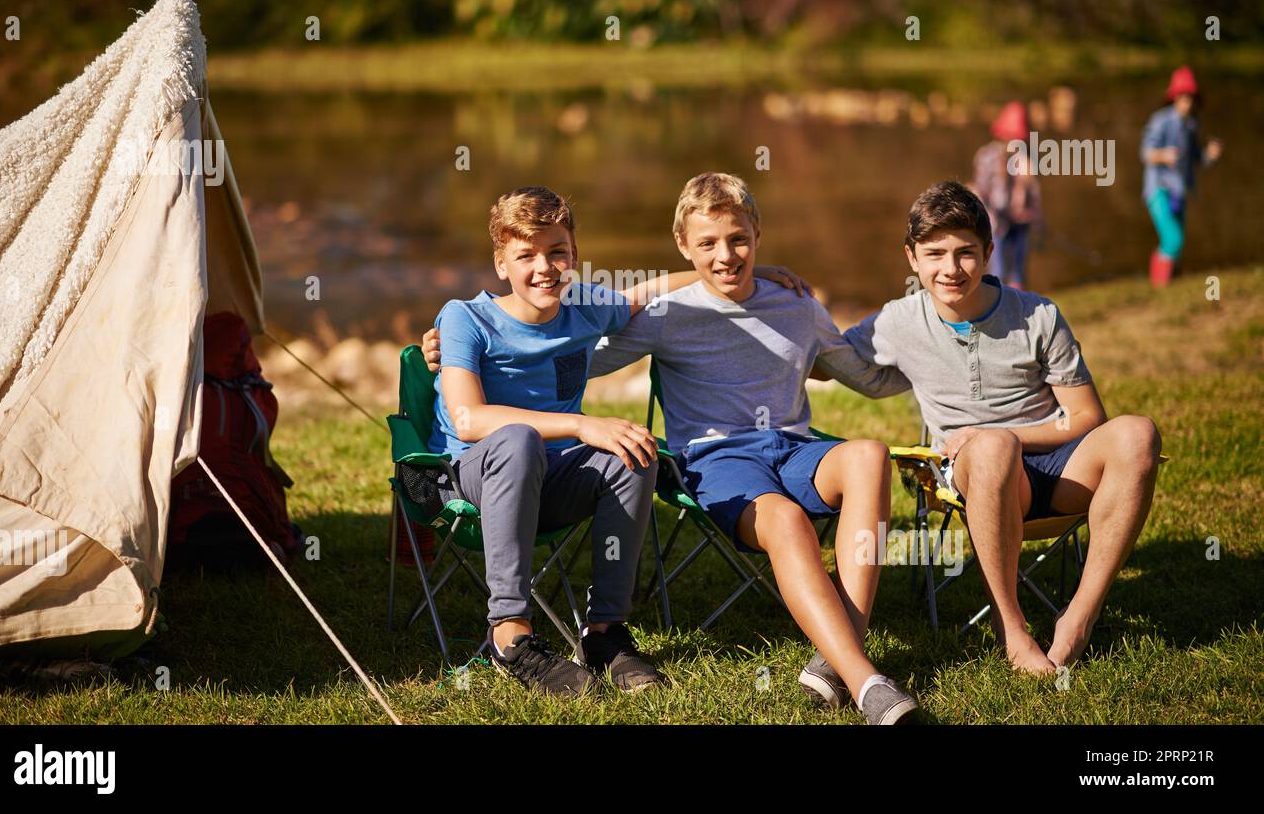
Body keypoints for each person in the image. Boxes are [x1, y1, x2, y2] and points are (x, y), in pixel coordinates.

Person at [428, 173, 922, 723]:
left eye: (558, 253)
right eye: (526, 256)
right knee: (524, 439)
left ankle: (612, 634)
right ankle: (511, 636)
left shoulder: (589, 309)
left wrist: (743, 272)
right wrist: (452, 353)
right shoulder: (469, 317)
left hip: (754, 451)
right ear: (501, 263)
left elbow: (639, 294)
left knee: (643, 449)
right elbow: (473, 412)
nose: (544, 267)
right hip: (501, 468)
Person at [845, 181, 1162, 674]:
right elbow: (820, 356)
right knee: (992, 448)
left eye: (966, 253)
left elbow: (1085, 418)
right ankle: (1012, 628)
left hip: (1057, 467)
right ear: (911, 257)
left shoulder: (1037, 314)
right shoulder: (896, 322)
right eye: (935, 254)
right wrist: (777, 289)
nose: (951, 269)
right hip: (977, 475)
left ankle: (1080, 613)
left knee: (1138, 432)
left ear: (989, 252)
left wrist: (1015, 436)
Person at [1141, 66, 1223, 287]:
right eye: (1183, 96)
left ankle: (1171, 281)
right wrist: (1163, 155)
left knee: (1178, 240)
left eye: (1190, 97)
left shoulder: (1192, 125)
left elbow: (1198, 159)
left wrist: (1211, 156)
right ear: (1174, 97)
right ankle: (1160, 284)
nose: (1187, 101)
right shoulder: (1161, 121)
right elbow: (1145, 153)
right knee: (1172, 238)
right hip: (1159, 189)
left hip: (1180, 190)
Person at [970, 101, 1042, 289]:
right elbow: (980, 189)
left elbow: (1032, 190)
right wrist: (989, 215)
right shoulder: (986, 156)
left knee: (1018, 272)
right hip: (996, 221)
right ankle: (996, 307)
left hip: (1020, 221)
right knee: (998, 270)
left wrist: (1034, 216)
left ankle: (1018, 306)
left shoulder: (1025, 158)